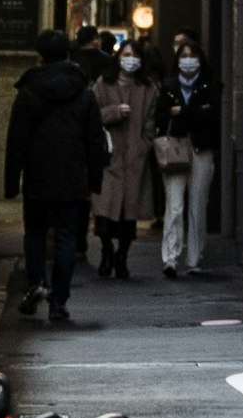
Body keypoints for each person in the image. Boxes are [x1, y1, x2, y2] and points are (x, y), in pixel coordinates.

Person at [6, 15, 109, 325]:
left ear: (40, 56)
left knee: (35, 233)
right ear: (68, 54)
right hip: (73, 176)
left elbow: (16, 140)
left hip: (38, 175)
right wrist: (95, 178)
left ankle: (37, 282)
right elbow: (94, 139)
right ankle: (59, 301)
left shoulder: (28, 91)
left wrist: (12, 181)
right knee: (66, 238)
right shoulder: (84, 92)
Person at [90, 31, 157, 278]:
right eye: (126, 55)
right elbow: (92, 115)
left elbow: (151, 122)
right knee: (105, 214)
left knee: (129, 216)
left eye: (135, 56)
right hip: (109, 157)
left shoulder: (148, 88)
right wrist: (114, 112)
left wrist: (144, 144)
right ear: (119, 58)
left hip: (135, 159)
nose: (130, 60)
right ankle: (107, 252)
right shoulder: (102, 84)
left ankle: (122, 257)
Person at [153, 33, 217, 277]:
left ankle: (194, 259)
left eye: (192, 56)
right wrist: (190, 113)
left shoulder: (209, 86)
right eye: (184, 56)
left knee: (198, 206)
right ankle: (170, 258)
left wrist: (182, 112)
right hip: (176, 148)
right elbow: (160, 117)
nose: (188, 60)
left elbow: (212, 116)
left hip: (201, 148)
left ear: (200, 59)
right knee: (176, 205)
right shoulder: (169, 87)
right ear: (177, 60)